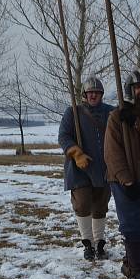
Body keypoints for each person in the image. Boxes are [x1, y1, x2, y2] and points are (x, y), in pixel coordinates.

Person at [104, 70, 140, 279]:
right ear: (129, 91)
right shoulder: (117, 117)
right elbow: (112, 152)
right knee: (132, 226)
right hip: (124, 179)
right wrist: (126, 180)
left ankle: (129, 261)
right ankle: (138, 271)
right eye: (137, 88)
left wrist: (136, 122)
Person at [58, 76, 114, 261]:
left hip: (104, 167)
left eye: (97, 93)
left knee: (100, 206)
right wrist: (76, 153)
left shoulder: (110, 112)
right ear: (84, 94)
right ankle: (87, 243)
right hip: (80, 168)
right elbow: (64, 136)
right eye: (90, 92)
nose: (93, 96)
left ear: (101, 95)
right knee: (82, 205)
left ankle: (99, 243)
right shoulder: (72, 112)